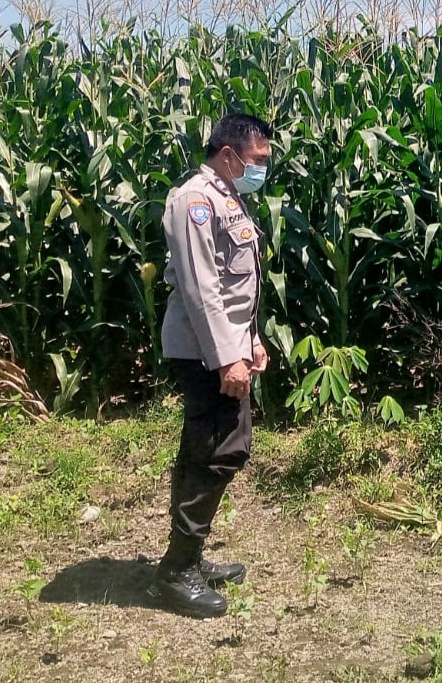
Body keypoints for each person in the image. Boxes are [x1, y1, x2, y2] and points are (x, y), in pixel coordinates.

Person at [149, 112, 274, 618]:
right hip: (203, 352)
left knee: (212, 449)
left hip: (225, 346)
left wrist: (252, 339)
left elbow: (235, 282)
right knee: (216, 451)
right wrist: (227, 360)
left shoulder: (227, 196)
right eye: (258, 158)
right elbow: (201, 289)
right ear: (229, 154)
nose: (262, 168)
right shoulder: (194, 201)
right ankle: (176, 571)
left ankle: (188, 557)